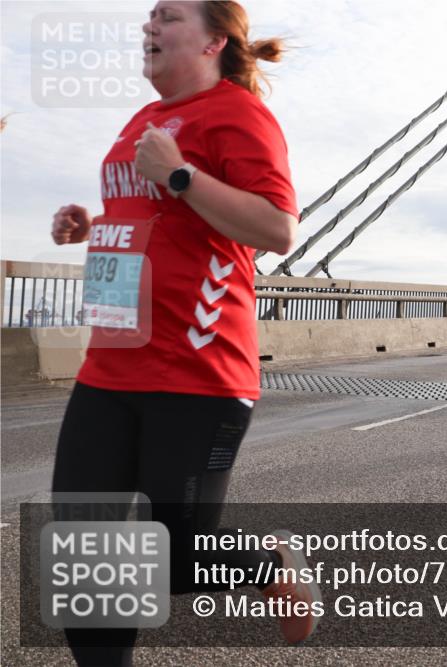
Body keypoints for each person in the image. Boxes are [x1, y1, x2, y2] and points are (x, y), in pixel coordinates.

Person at [49, 2, 316, 663]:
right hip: (110, 364)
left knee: (176, 557)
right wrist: (95, 221)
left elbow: (278, 228)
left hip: (197, 370)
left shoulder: (238, 114)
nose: (150, 27)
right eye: (149, 17)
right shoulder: (141, 121)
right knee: (90, 557)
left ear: (213, 40)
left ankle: (270, 564)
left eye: (167, 17)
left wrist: (179, 172)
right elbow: (157, 214)